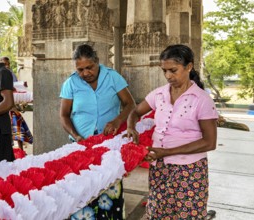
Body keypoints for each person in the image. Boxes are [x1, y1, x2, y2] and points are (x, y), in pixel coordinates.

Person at [125, 44, 218, 219]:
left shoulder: (202, 100)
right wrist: (131, 128)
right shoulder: (159, 94)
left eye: (173, 70)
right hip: (160, 167)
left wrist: (167, 152)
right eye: (164, 71)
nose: (168, 76)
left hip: (189, 169)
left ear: (189, 67)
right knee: (159, 214)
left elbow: (209, 142)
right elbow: (135, 112)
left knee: (187, 215)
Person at [59, 44, 136, 219]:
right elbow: (64, 115)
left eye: (89, 68)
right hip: (80, 146)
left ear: (97, 62)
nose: (85, 73)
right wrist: (77, 136)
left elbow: (130, 104)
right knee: (81, 193)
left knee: (109, 192)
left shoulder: (112, 77)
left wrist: (118, 120)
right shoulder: (70, 83)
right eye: (80, 69)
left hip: (109, 146)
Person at [0, 56, 33, 151]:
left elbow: (16, 89)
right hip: (4, 109)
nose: (7, 66)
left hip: (13, 107)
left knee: (19, 129)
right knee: (7, 132)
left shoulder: (12, 75)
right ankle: (9, 151)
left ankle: (21, 150)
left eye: (8, 64)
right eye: (4, 64)